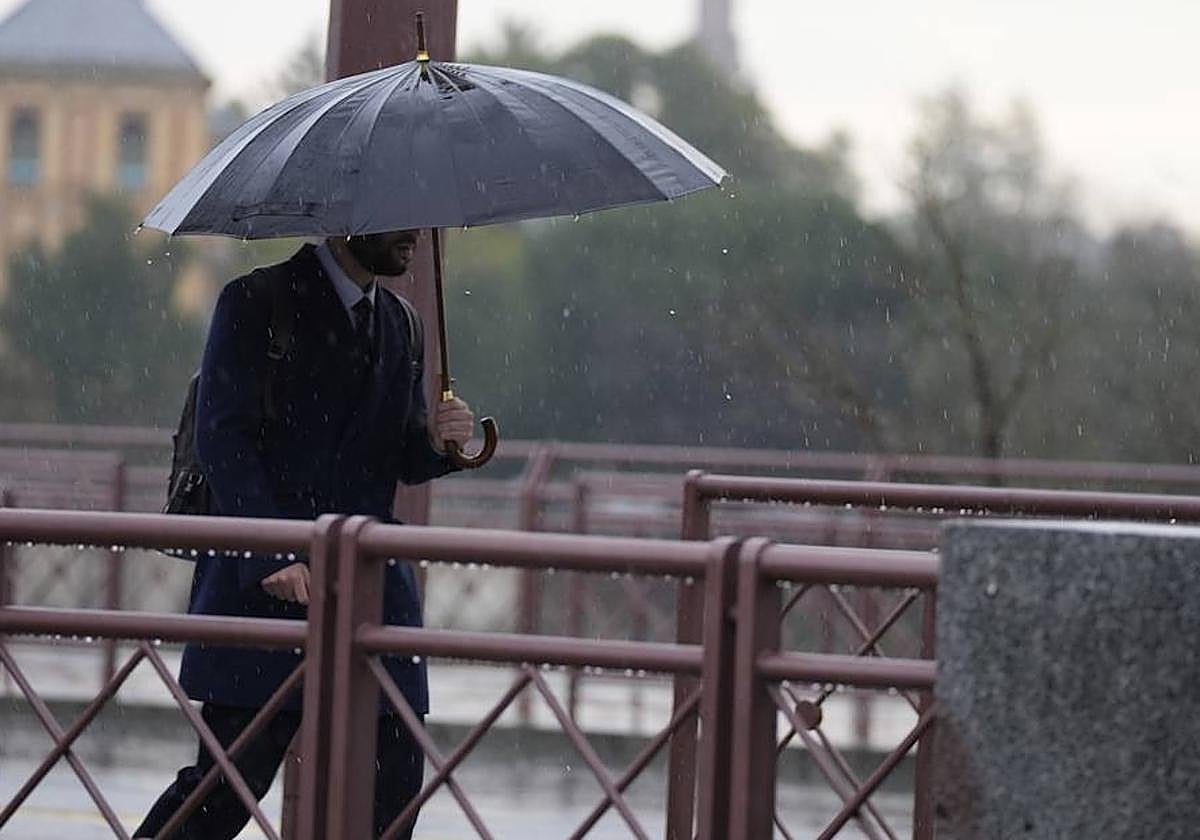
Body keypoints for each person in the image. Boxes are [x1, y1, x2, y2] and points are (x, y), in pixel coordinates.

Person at [134, 230, 473, 839]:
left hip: (371, 586)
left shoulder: (401, 323)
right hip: (269, 585)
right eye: (399, 221)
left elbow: (396, 455)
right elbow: (223, 440)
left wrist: (441, 443)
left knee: (393, 782)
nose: (415, 239)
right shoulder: (257, 302)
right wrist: (273, 550)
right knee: (227, 787)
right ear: (347, 220)